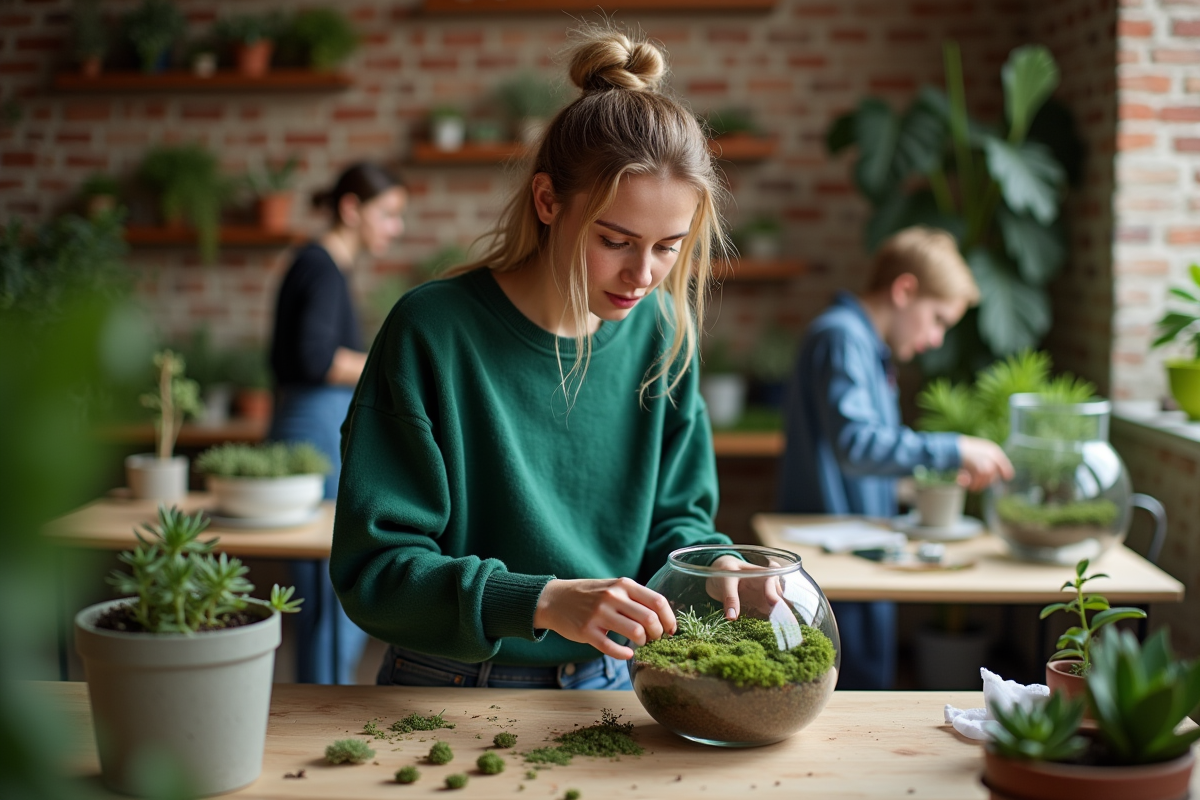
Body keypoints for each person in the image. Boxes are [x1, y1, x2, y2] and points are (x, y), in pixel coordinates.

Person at [330, 28, 768, 691]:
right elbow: (376, 574)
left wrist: (711, 566)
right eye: (616, 240)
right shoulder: (434, 331)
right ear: (546, 202)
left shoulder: (664, 332)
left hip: (613, 680)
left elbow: (676, 523)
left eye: (668, 246)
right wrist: (540, 600)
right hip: (450, 685)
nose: (643, 274)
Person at [776, 226, 1014, 690]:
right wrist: (954, 448)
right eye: (938, 319)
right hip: (833, 555)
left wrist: (915, 487)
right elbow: (857, 444)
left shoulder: (865, 346)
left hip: (854, 545)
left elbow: (854, 455)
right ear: (905, 290)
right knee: (850, 690)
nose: (937, 338)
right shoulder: (841, 337)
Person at [268, 162, 407, 684]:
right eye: (388, 214)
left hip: (309, 422)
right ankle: (325, 707)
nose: (394, 228)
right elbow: (313, 359)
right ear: (352, 209)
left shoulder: (321, 265)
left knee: (321, 593)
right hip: (314, 425)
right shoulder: (322, 266)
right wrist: (386, 360)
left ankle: (319, 701)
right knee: (334, 588)